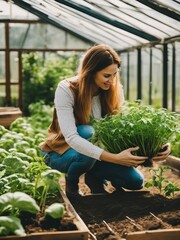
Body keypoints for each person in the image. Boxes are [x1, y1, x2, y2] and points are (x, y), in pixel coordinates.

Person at [39, 44, 170, 197]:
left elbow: (121, 130)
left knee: (135, 182)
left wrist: (157, 145)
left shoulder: (113, 89)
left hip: (94, 155)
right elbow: (72, 137)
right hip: (61, 153)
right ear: (90, 72)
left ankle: (94, 177)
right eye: (107, 75)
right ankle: (72, 184)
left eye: (115, 74)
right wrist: (115, 158)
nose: (111, 80)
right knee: (90, 132)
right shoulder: (67, 89)